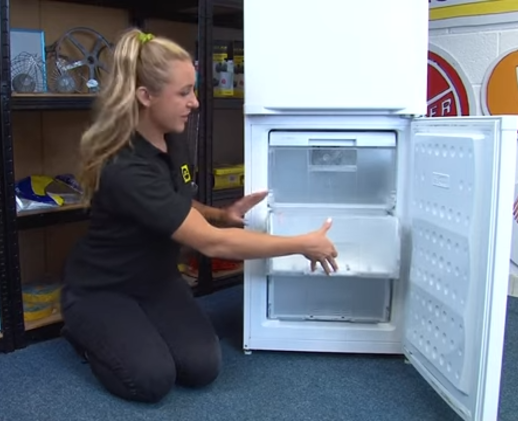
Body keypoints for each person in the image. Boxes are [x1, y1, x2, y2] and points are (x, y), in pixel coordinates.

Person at [61, 28, 339, 404]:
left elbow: (177, 203)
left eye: (193, 89)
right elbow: (211, 243)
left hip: (156, 281)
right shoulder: (126, 167)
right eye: (183, 92)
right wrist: (303, 244)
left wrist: (222, 214)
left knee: (200, 367)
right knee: (150, 380)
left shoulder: (171, 134)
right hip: (103, 289)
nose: (194, 102)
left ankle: (135, 330)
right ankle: (84, 332)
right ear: (146, 96)